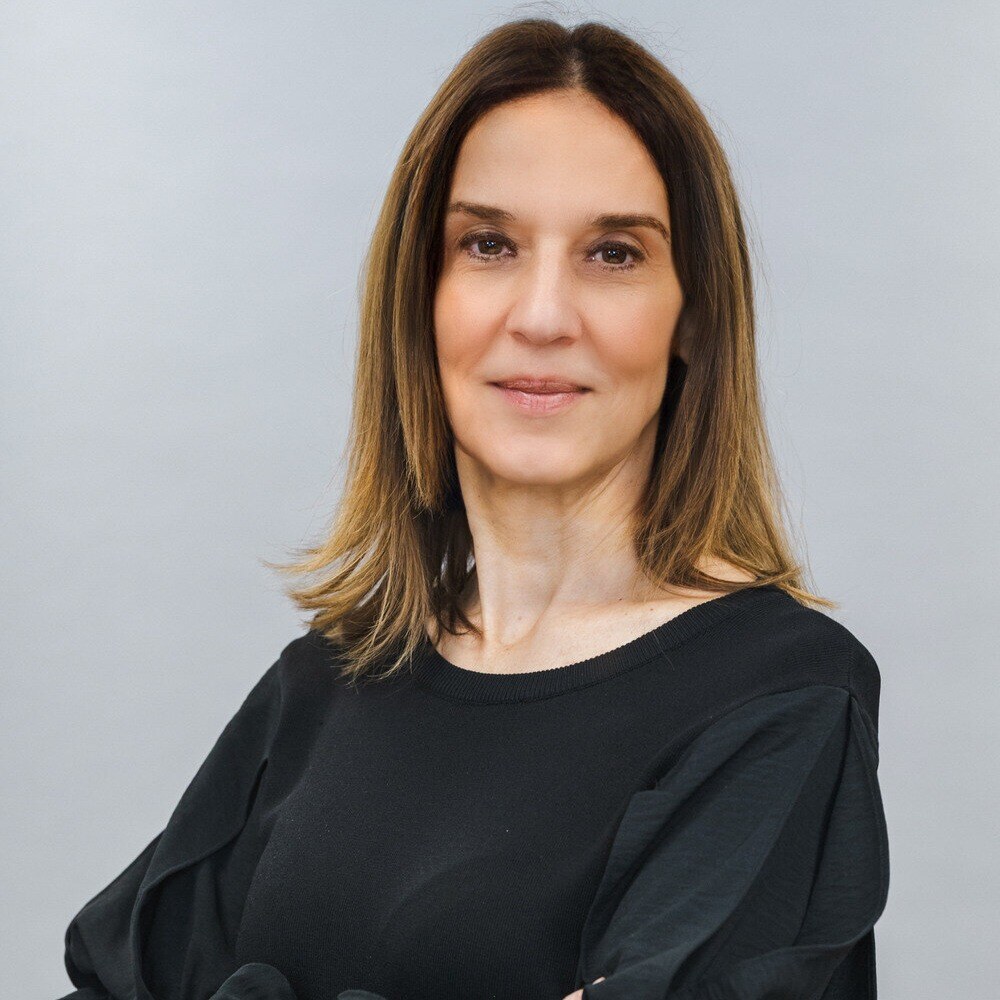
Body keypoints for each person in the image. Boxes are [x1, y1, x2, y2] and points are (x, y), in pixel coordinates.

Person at [58, 17, 889, 1000]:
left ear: (693, 316)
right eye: (489, 244)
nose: (541, 316)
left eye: (613, 252)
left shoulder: (778, 698)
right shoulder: (324, 684)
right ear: (420, 296)